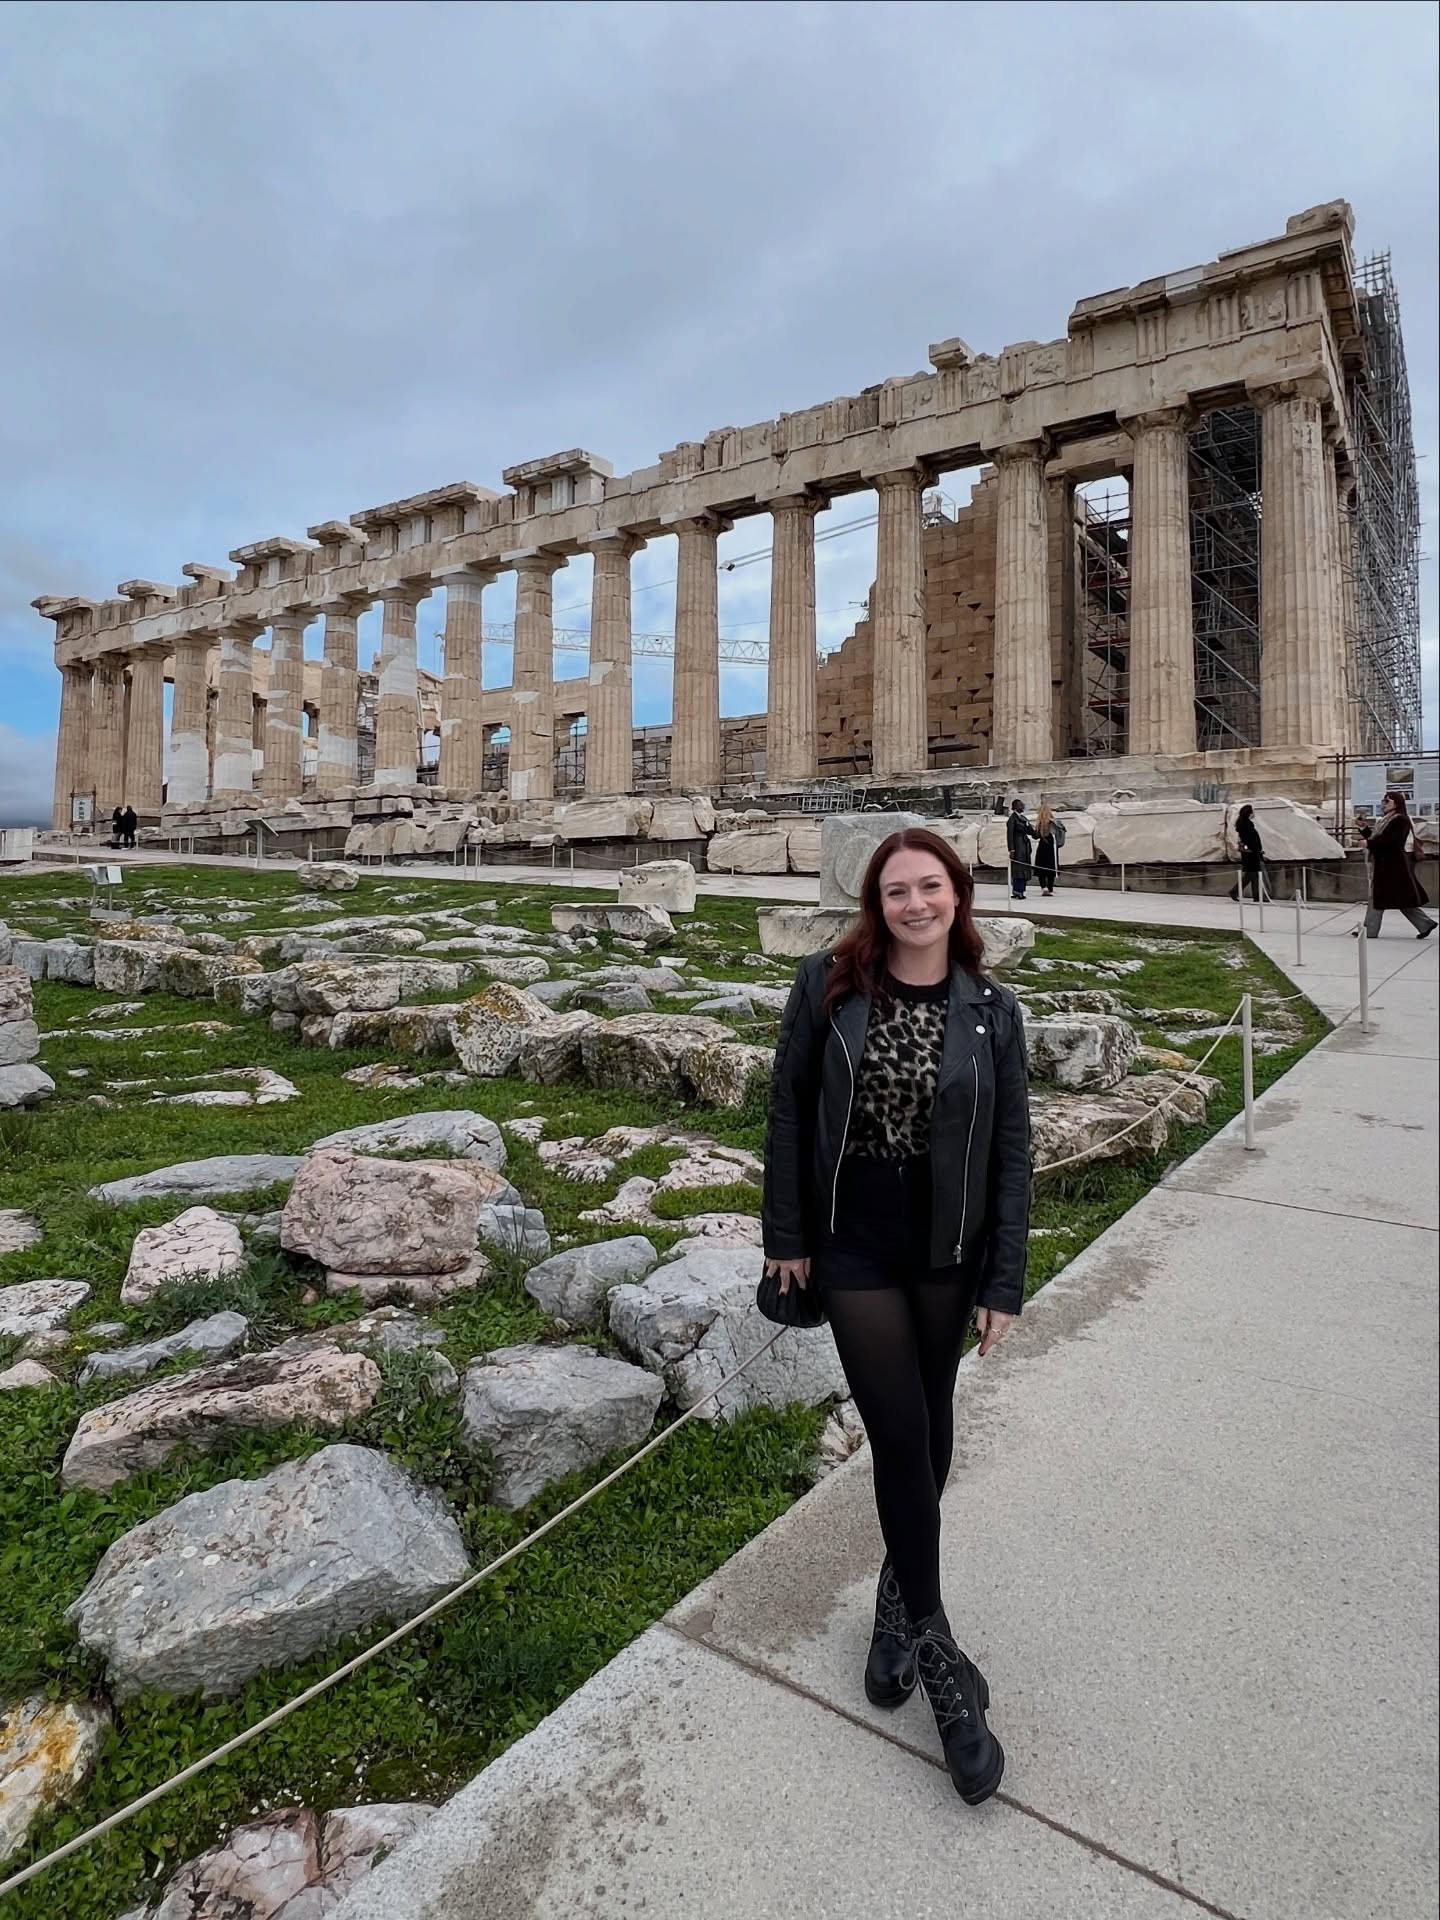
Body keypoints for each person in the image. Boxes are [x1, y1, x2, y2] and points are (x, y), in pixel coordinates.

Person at [761, 826, 1030, 1807]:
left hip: (948, 1246)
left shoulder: (993, 1011)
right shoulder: (826, 984)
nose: (914, 904)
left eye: (930, 887)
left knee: (934, 1420)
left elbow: (1012, 1150)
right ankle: (942, 1659)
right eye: (895, 892)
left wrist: (1006, 1280)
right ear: (874, 905)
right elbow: (789, 1109)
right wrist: (785, 1234)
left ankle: (893, 1603)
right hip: (853, 1240)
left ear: (959, 897)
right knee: (899, 1429)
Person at [1353, 790, 1436, 939]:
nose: (1384, 804)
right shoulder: (1387, 819)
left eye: (1387, 801)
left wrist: (1369, 843)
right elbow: (1378, 838)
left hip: (1393, 865)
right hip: (1388, 864)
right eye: (1383, 801)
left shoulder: (1401, 820)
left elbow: (1392, 842)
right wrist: (1364, 829)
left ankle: (1369, 931)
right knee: (1401, 899)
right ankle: (1425, 924)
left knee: (1378, 897)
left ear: (1396, 803)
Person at [1228, 804, 1266, 902]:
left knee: (1254, 874)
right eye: (1252, 811)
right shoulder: (1246, 824)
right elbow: (1250, 840)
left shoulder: (1244, 823)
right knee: (1251, 874)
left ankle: (1257, 896)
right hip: (1251, 853)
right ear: (1249, 813)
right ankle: (1234, 891)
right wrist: (1255, 850)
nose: (1254, 813)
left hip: (1251, 852)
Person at [1032, 802, 1066, 898]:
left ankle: (1044, 888)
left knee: (1041, 868)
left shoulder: (1041, 824)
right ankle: (1050, 888)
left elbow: (1036, 836)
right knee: (1051, 868)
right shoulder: (1055, 822)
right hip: (1053, 848)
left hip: (1043, 848)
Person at [1005, 797, 1035, 900]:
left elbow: (1030, 831)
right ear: (1014, 807)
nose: (1023, 807)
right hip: (1018, 846)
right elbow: (1010, 835)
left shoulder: (1023, 819)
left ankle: (1021, 890)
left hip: (1025, 846)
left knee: (1024, 868)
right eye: (1020, 805)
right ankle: (1018, 891)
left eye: (1023, 805)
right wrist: (1011, 849)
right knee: (1018, 869)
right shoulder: (1012, 819)